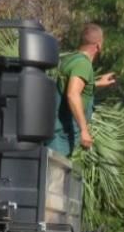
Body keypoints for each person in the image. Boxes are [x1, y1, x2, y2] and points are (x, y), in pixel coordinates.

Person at [48, 24, 117, 157]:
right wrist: (84, 130)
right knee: (54, 176)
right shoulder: (83, 64)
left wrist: (97, 84)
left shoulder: (71, 59)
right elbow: (73, 94)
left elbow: (71, 87)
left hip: (56, 132)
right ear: (98, 45)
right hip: (60, 134)